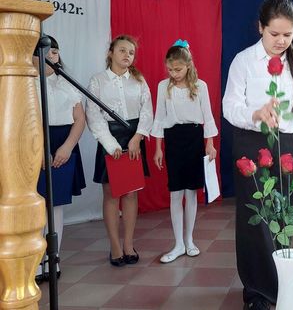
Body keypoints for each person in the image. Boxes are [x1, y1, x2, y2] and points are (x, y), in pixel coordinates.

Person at [223, 0, 293, 310]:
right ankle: (257, 293)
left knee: (283, 216)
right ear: (260, 27)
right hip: (251, 143)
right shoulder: (244, 60)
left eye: (287, 34)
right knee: (255, 220)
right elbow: (229, 107)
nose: (281, 41)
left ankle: (281, 285)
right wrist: (256, 114)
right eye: (274, 34)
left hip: (285, 145)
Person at [86, 35, 153, 267]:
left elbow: (147, 111)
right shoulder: (97, 81)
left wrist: (138, 137)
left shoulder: (139, 80)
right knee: (112, 194)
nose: (127, 55)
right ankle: (115, 246)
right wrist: (111, 145)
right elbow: (93, 115)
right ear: (111, 53)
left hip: (133, 138)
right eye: (122, 50)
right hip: (109, 139)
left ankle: (128, 244)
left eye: (131, 52)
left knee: (131, 193)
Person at [152, 40, 218, 263]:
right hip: (173, 140)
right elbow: (159, 118)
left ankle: (189, 240)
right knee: (175, 192)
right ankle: (178, 243)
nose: (174, 74)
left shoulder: (200, 86)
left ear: (188, 65)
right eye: (170, 69)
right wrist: (158, 148)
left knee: (191, 192)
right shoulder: (163, 86)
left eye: (178, 69)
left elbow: (207, 116)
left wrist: (209, 143)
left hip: (194, 138)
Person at [34, 36, 86, 283]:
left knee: (56, 205)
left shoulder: (66, 82)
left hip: (63, 143)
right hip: (34, 143)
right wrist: (38, 149)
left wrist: (67, 147)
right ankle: (35, 262)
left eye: (54, 52)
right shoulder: (25, 83)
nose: (50, 56)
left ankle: (52, 259)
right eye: (44, 52)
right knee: (36, 205)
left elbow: (80, 119)